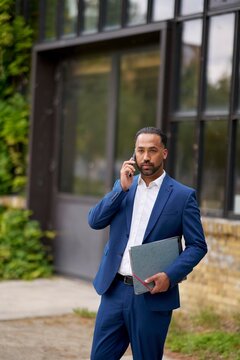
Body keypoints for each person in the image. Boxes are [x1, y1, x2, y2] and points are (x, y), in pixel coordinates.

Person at [88, 127, 207, 360]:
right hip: (114, 291)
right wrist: (120, 189)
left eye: (152, 150)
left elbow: (197, 245)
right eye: (140, 151)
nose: (145, 157)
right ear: (133, 154)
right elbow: (95, 221)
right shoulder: (124, 187)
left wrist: (170, 276)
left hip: (152, 296)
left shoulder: (183, 196)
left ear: (164, 153)